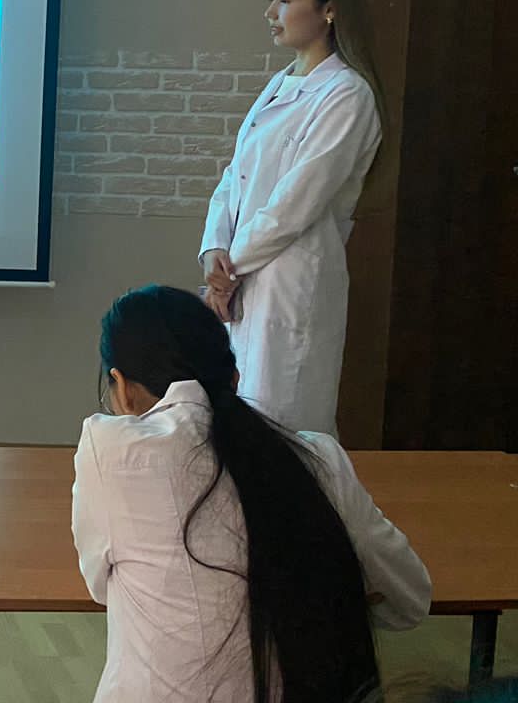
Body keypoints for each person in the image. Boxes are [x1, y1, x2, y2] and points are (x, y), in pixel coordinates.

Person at [73, 284, 430, 703]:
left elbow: (101, 588)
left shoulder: (110, 450)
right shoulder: (317, 458)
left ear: (121, 387)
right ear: (235, 377)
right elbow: (411, 597)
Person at [199, 0, 385, 434]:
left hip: (290, 281)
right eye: (271, 0)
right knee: (241, 418)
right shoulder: (281, 83)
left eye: (284, 0)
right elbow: (235, 176)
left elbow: (295, 203)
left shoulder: (347, 94)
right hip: (246, 276)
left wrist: (229, 270)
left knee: (284, 422)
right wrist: (215, 248)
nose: (270, 13)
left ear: (330, 8)